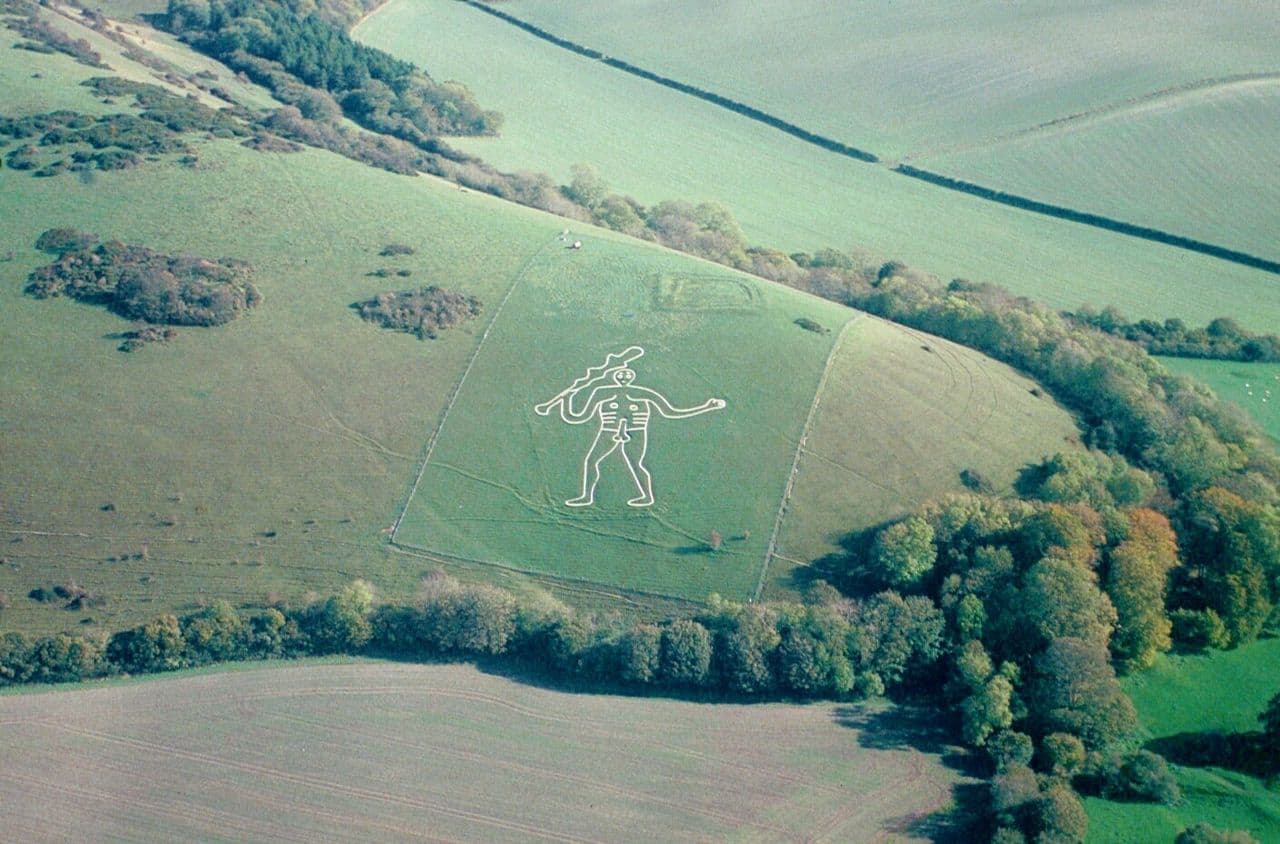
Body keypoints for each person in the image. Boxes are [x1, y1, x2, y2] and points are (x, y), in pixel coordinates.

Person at [541, 363, 725, 507]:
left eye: (627, 375)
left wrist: (706, 407)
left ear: (632, 377)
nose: (623, 377)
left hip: (635, 431)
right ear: (614, 376)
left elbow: (671, 412)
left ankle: (646, 496)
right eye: (621, 375)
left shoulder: (643, 393)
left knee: (636, 464)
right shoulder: (602, 392)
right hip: (609, 431)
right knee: (591, 461)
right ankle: (586, 496)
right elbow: (577, 417)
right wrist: (566, 400)